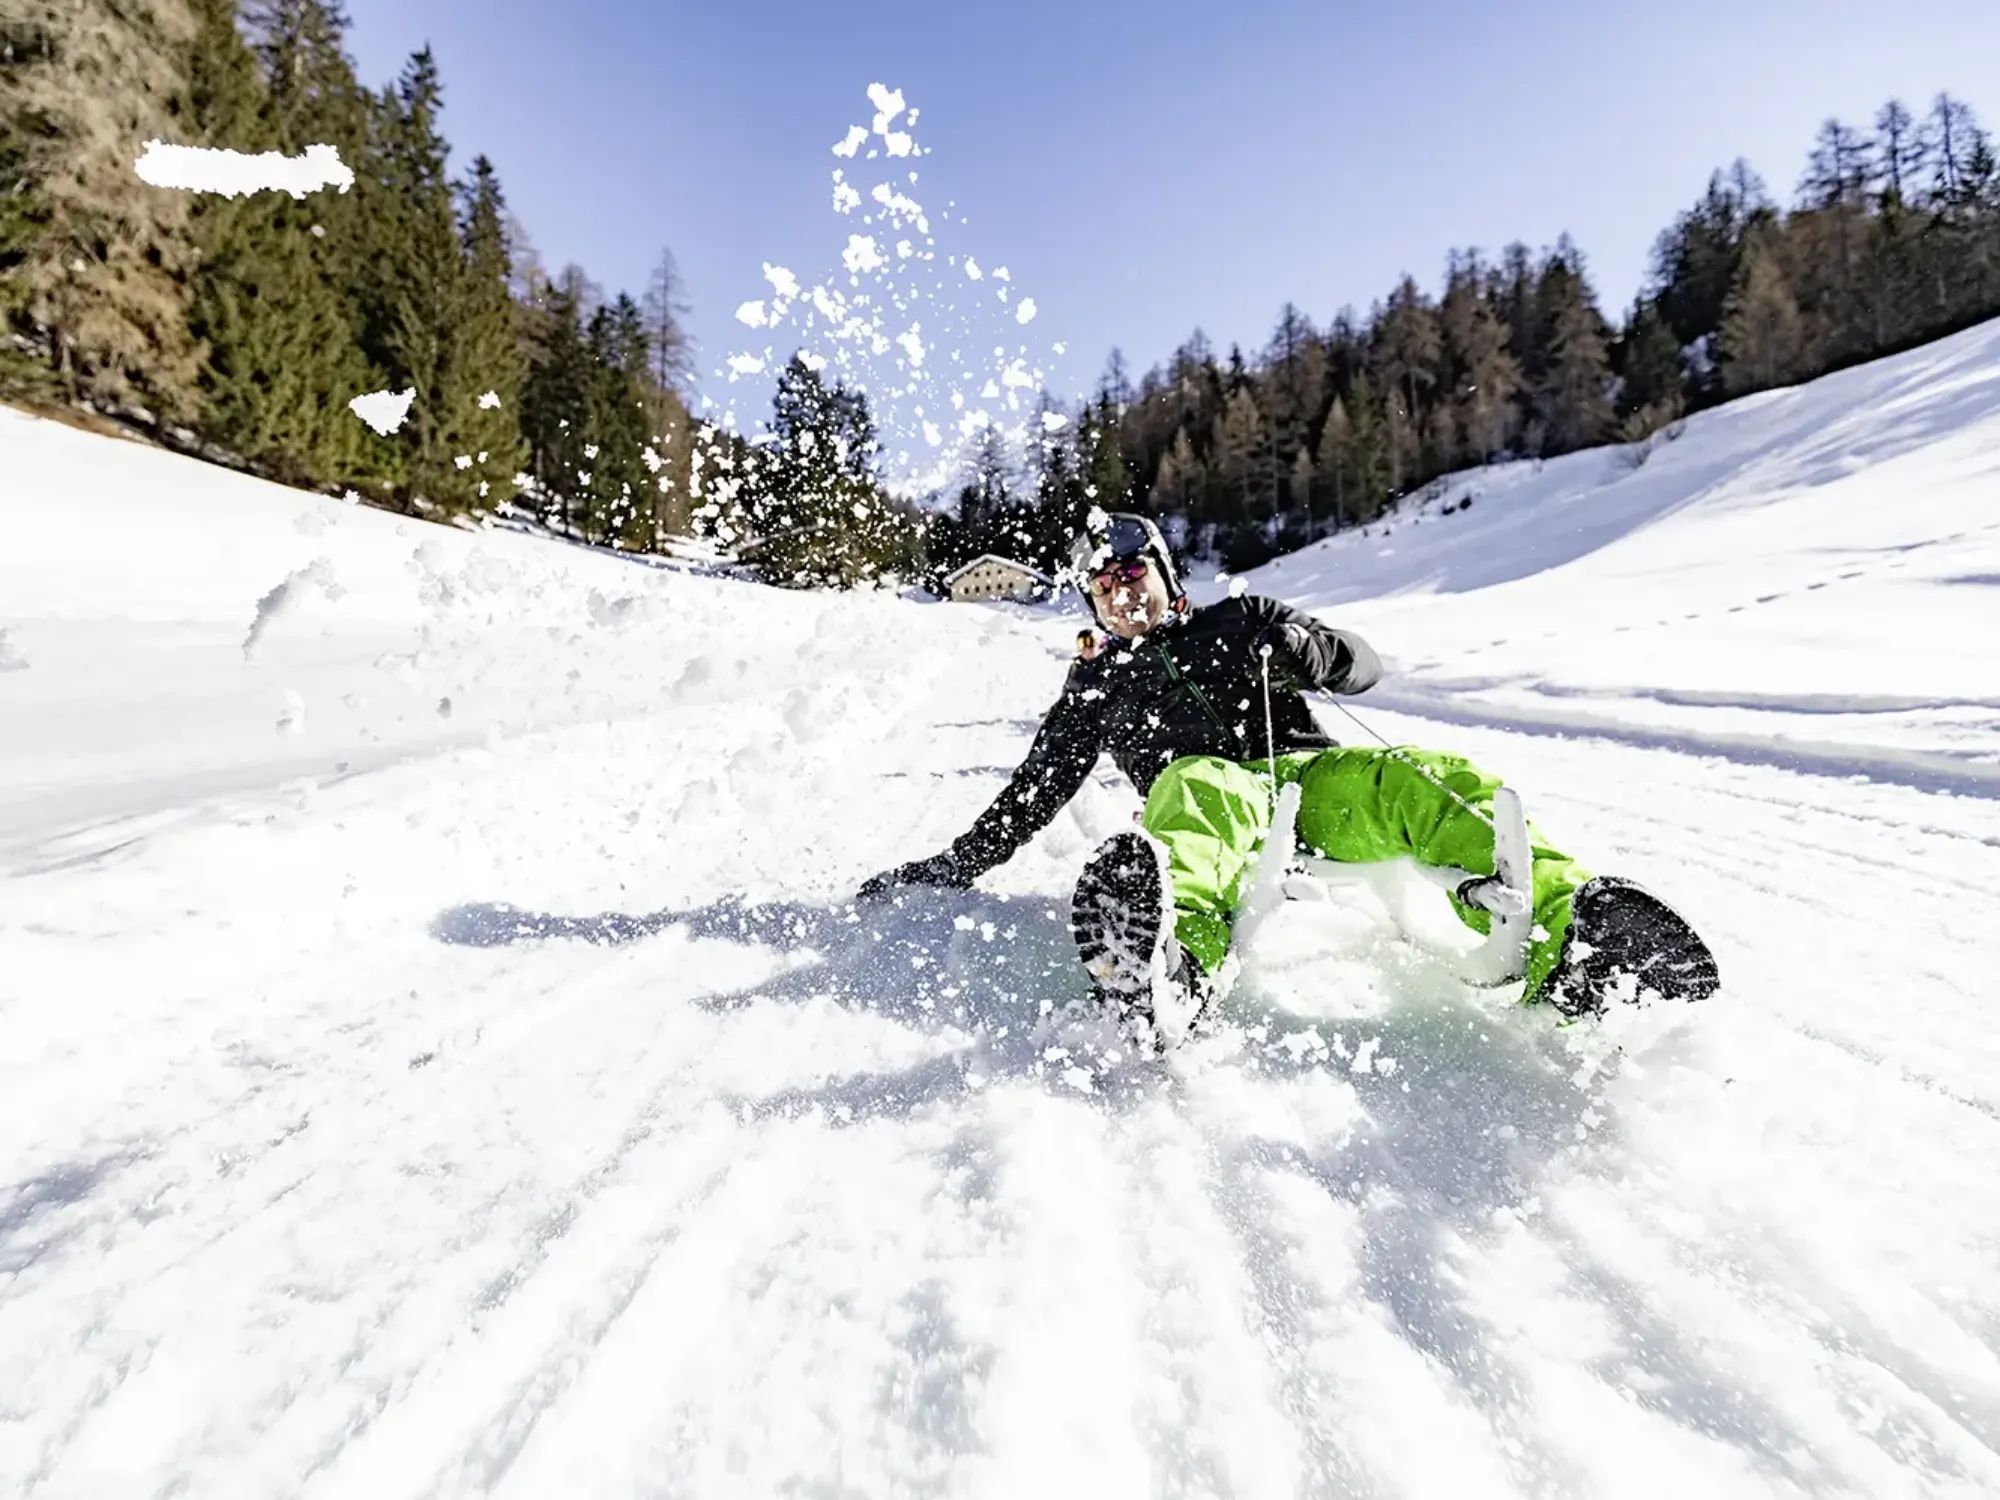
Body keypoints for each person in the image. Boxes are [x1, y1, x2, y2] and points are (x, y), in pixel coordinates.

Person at [859, 512, 1718, 1045]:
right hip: (1210, 800)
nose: (1122, 599)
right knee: (1197, 788)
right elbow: (1030, 796)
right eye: (1103, 590)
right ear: (1090, 606)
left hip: (1310, 786)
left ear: (1165, 577)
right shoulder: (1097, 686)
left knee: (1416, 775)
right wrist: (947, 867)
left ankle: (1571, 941)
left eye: (1133, 578)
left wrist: (1310, 650)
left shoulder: (1241, 622)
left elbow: (1363, 668)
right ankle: (1171, 964)